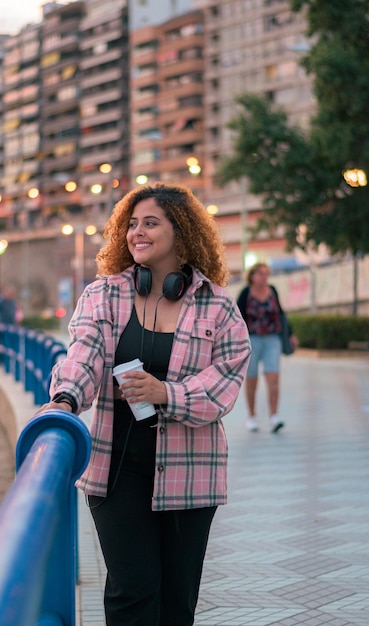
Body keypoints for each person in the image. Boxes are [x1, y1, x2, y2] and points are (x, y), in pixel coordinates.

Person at [37, 182, 251, 625]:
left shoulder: (219, 307)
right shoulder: (103, 295)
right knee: (132, 594)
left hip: (190, 475)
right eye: (131, 224)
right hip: (115, 474)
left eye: (151, 223)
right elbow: (83, 355)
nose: (138, 232)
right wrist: (63, 399)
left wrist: (165, 393)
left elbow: (225, 383)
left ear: (182, 232)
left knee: (177, 603)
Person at [237, 262, 298, 433]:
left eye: (266, 273)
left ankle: (274, 416)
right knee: (252, 379)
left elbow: (281, 313)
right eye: (261, 273)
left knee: (273, 379)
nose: (264, 277)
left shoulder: (272, 290)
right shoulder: (245, 293)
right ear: (252, 276)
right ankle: (252, 416)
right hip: (252, 340)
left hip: (273, 339)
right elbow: (237, 318)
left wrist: (291, 334)